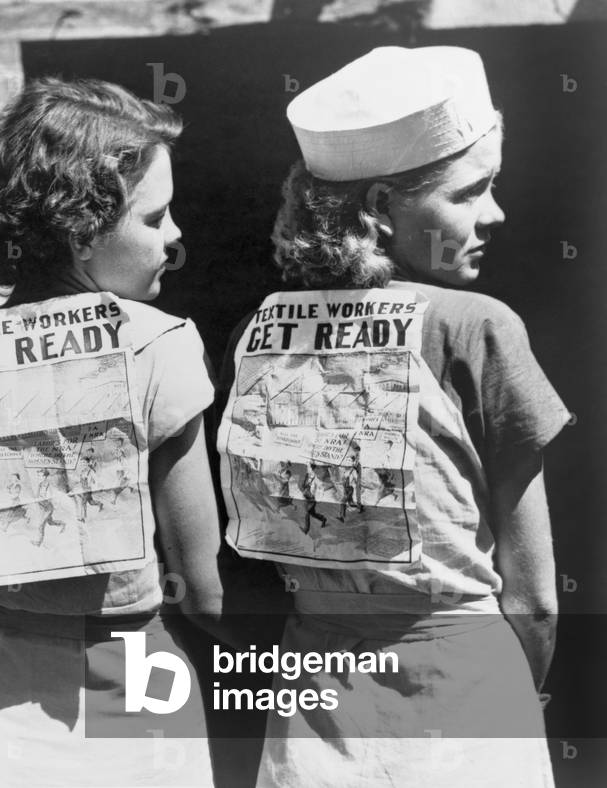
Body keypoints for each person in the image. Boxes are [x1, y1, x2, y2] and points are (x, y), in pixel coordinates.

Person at [217, 46, 570, 787]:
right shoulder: (473, 325)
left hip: (313, 704)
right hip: (461, 686)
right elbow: (534, 599)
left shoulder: (254, 333)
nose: (495, 214)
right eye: (470, 192)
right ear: (378, 208)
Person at [0, 77, 223, 787]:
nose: (175, 237)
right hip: (133, 690)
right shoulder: (157, 344)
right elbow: (204, 593)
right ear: (82, 231)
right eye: (155, 219)